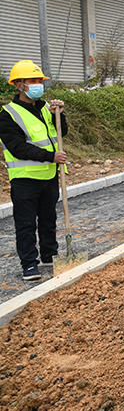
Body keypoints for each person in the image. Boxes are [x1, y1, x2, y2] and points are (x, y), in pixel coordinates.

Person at [0, 60, 67, 282]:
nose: (38, 85)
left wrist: (60, 114)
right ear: (19, 85)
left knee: (49, 219)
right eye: (32, 81)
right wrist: (51, 157)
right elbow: (18, 148)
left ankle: (50, 255)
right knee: (26, 224)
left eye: (39, 81)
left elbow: (60, 133)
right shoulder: (8, 114)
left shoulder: (44, 108)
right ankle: (29, 264)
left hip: (48, 176)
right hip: (25, 180)